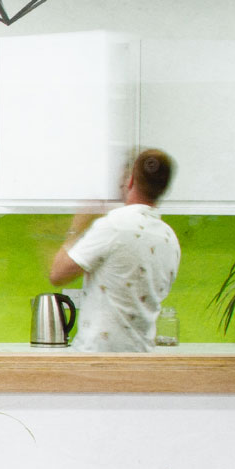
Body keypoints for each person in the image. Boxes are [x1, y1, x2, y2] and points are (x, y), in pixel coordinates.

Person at [48, 148, 181, 353]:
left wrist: (77, 225)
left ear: (129, 181)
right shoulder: (169, 237)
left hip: (98, 358)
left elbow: (57, 274)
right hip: (141, 357)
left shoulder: (113, 225)